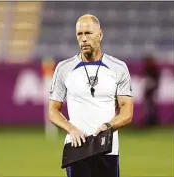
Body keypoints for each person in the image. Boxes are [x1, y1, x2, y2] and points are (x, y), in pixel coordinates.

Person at [48, 14, 134, 177]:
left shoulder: (118, 68)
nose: (83, 39)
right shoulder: (64, 68)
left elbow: (127, 112)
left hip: (107, 150)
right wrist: (70, 129)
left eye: (88, 33)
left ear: (100, 35)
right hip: (77, 150)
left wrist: (108, 127)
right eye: (79, 34)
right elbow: (53, 110)